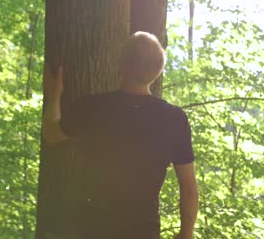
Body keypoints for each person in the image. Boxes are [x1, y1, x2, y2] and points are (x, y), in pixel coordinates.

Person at [43, 31, 198, 239]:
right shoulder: (174, 119)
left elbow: (52, 135)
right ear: (158, 71)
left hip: (92, 229)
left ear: (121, 65)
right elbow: (188, 187)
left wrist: (53, 94)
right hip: (144, 231)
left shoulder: (93, 106)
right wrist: (186, 234)